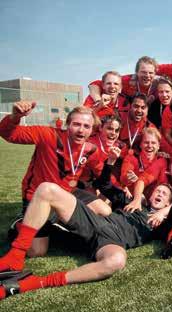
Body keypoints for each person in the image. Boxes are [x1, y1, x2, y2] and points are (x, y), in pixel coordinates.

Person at [0, 169, 172, 300]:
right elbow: (105, 185)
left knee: (117, 261)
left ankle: (35, 282)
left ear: (167, 203)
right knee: (47, 188)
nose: (159, 194)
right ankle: (15, 257)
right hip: (98, 222)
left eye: (164, 194)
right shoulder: (132, 201)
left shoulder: (160, 224)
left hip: (112, 241)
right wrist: (111, 163)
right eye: (158, 191)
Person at [0, 101, 111, 255]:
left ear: (92, 130)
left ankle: (57, 220)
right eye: (76, 124)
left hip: (68, 193)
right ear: (67, 124)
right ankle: (21, 223)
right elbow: (9, 134)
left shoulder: (91, 149)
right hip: (38, 197)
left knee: (105, 211)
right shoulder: (48, 135)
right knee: (37, 251)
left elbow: (100, 172)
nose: (81, 130)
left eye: (86, 126)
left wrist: (123, 186)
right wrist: (14, 117)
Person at [88, 57, 158, 102]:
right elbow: (94, 84)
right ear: (136, 72)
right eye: (143, 72)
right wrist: (98, 100)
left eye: (151, 73)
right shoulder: (127, 80)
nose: (147, 75)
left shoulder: (159, 84)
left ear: (155, 73)